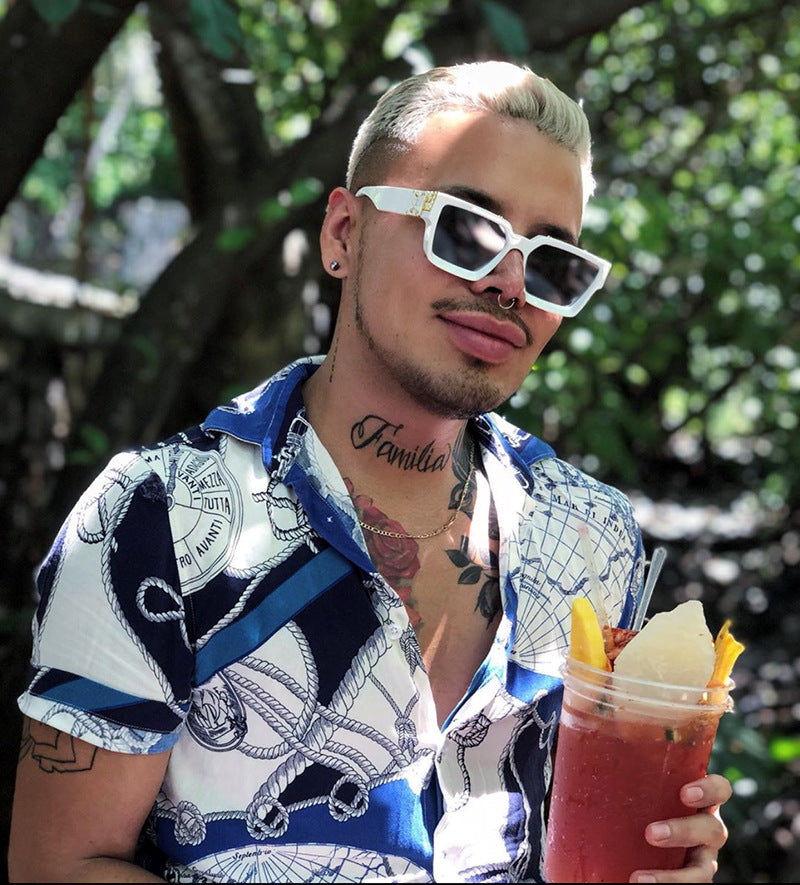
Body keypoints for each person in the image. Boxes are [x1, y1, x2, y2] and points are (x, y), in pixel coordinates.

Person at [8, 60, 732, 883]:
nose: (510, 284)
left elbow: (586, 836)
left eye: (553, 264)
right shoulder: (157, 517)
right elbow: (58, 866)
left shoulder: (591, 536)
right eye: (467, 230)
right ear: (344, 234)